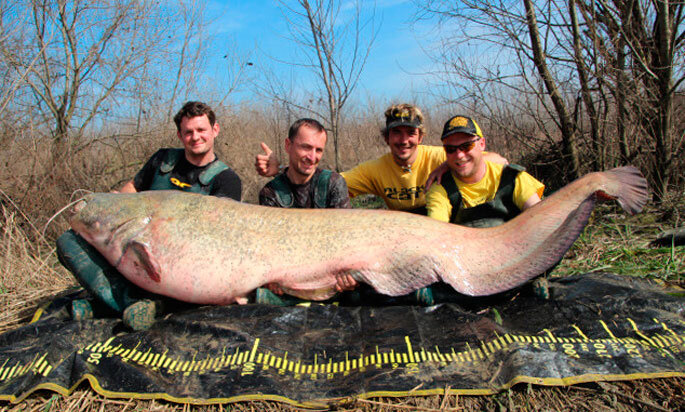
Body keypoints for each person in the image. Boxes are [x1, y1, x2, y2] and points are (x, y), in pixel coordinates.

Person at [57, 101, 242, 330]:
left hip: (182, 264)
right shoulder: (162, 159)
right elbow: (130, 192)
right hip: (134, 251)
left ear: (215, 130)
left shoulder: (227, 180)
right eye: (188, 132)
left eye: (201, 130)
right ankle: (130, 302)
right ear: (179, 135)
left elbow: (218, 239)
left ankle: (117, 304)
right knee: (69, 240)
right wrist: (115, 204)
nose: (195, 137)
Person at [256, 103, 507, 215]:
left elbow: (499, 161)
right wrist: (282, 171)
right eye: (396, 133)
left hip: (446, 225)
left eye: (411, 133)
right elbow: (315, 178)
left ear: (421, 137)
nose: (403, 140)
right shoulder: (374, 170)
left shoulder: (448, 153)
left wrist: (448, 163)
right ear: (386, 138)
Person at [426, 114, 544, 226]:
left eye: (467, 146)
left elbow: (541, 218)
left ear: (482, 144)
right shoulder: (439, 188)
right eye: (450, 149)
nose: (459, 155)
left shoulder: (513, 177)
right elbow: (437, 229)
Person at [259, 118, 350, 209]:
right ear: (288, 146)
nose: (312, 158)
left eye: (318, 150)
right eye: (306, 147)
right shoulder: (271, 192)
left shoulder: (333, 183)